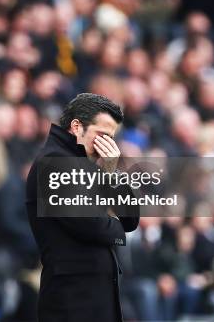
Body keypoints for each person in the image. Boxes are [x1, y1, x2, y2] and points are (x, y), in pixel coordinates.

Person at [26, 93, 139, 321]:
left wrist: (110, 171)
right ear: (77, 127)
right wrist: (116, 229)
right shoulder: (54, 163)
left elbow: (130, 219)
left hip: (92, 296)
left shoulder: (84, 164)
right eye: (102, 136)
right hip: (72, 301)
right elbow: (92, 225)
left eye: (111, 139)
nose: (106, 146)